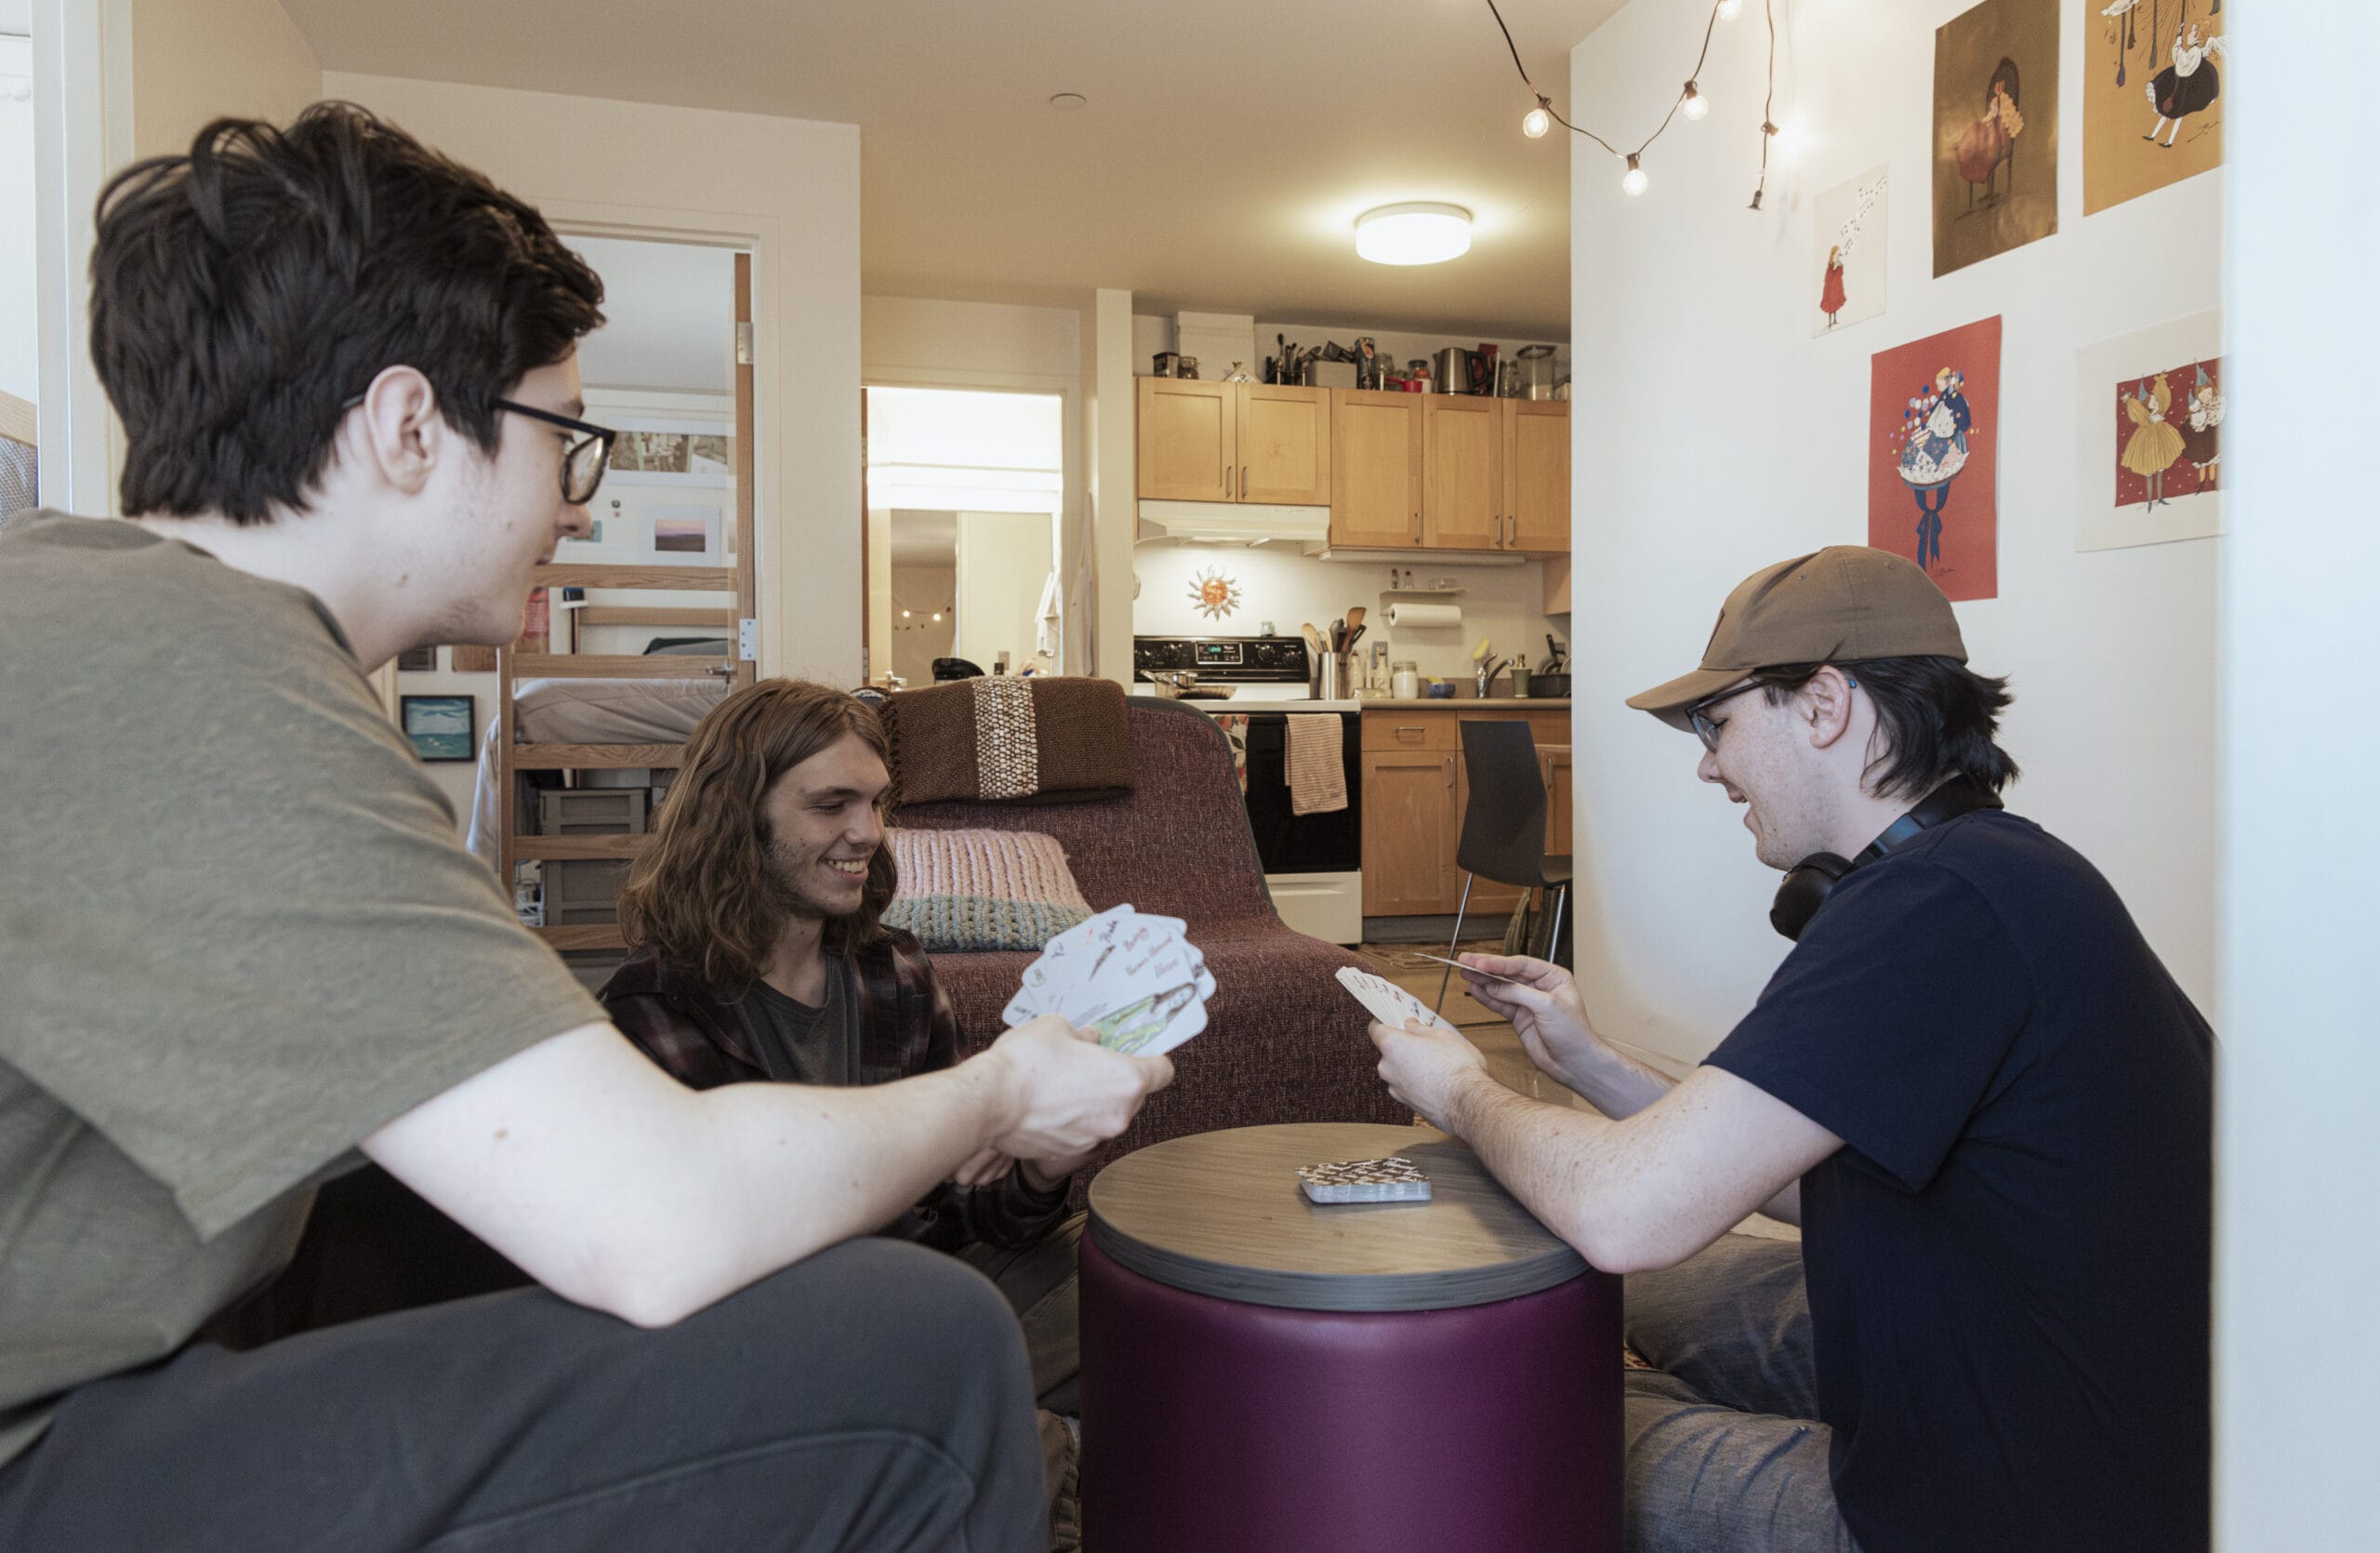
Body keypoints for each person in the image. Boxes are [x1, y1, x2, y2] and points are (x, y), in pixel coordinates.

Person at [0, 102, 1170, 1552]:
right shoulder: (202, 679)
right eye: (566, 436)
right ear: (409, 425)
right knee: (915, 1352)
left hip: (105, 1387)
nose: (570, 493)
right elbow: (658, 1215)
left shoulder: (85, 611)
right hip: (41, 1461)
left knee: (420, 1214)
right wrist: (1004, 1094)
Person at [1365, 546, 2211, 1553]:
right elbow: (1818, 1182)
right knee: (1634, 1296)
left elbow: (1623, 1213)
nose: (1706, 763)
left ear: (1822, 705)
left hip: (2003, 1506)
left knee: (1526, 1403)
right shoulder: (2000, 870)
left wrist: (1458, 1088)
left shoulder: (1929, 909)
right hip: (2029, 1371)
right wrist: (1583, 1060)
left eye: (1715, 724)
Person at [600, 676, 1094, 1546]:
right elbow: (713, 1259)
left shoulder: (892, 970)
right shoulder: (657, 1008)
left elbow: (973, 1205)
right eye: (832, 805)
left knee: (1144, 1285)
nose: (866, 833)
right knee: (1015, 1422)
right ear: (738, 814)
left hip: (934, 1281)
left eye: (875, 803)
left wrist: (1042, 1162)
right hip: (785, 1338)